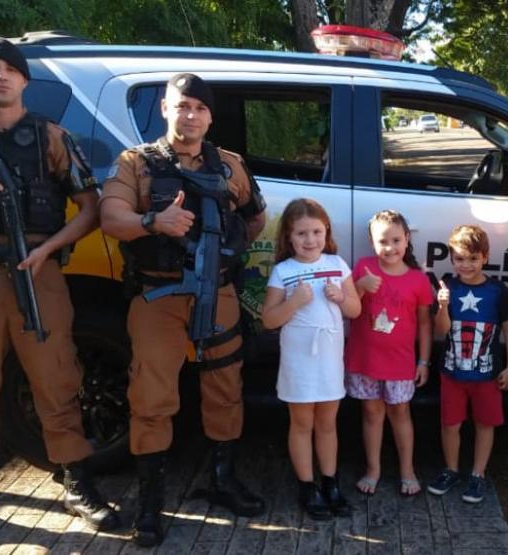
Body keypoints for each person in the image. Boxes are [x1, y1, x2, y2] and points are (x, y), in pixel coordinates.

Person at [0, 37, 119, 544]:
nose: (1, 76)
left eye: (10, 69)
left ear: (24, 80)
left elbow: (91, 208)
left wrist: (50, 249)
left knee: (57, 377)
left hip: (39, 272)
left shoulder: (51, 136)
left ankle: (75, 480)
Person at [99, 73, 267, 546]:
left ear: (210, 116)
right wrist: (154, 221)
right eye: (181, 105)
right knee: (150, 397)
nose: (190, 115)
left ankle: (222, 479)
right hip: (160, 294)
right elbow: (111, 218)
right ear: (165, 109)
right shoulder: (136, 163)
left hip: (218, 292)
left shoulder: (230, 166)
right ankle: (150, 500)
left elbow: (254, 217)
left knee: (225, 388)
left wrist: (225, 252)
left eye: (199, 107)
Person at [260, 198, 361, 519]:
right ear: (288, 236)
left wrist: (341, 297)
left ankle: (330, 482)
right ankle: (307, 486)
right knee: (302, 423)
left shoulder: (337, 264)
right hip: (299, 361)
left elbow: (355, 310)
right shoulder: (284, 271)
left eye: (317, 232)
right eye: (301, 233)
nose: (310, 240)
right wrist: (294, 303)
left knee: (327, 423)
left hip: (329, 360)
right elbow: (269, 319)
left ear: (326, 231)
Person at [427, 225, 508, 504]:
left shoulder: (497, 290)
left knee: (485, 423)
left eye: (473, 258)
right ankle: (451, 469)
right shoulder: (448, 286)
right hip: (452, 373)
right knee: (450, 423)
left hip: (487, 375)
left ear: (485, 257)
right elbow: (441, 330)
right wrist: (443, 306)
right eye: (459, 259)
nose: (465, 265)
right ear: (451, 259)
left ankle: (478, 474)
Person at [344, 210, 433, 497]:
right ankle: (373, 469)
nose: (390, 247)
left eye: (396, 240)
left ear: (407, 239)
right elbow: (347, 307)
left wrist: (424, 361)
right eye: (383, 241)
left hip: (400, 363)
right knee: (371, 413)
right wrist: (360, 286)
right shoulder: (364, 267)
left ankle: (407, 470)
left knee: (400, 412)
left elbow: (425, 323)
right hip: (365, 360)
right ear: (372, 242)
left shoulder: (418, 280)